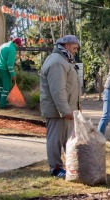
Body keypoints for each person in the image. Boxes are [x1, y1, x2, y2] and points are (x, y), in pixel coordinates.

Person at [40, 35, 81, 178]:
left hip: (65, 109)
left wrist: (76, 107)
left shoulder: (64, 60)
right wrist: (65, 110)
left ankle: (68, 167)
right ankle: (55, 168)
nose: (76, 51)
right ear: (66, 46)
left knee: (65, 139)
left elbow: (70, 87)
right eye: (74, 48)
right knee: (55, 139)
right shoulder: (57, 62)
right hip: (57, 110)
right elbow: (58, 90)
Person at [0, 37, 22, 109]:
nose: (18, 47)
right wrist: (13, 74)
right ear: (15, 43)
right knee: (6, 87)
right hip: (4, 69)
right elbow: (9, 64)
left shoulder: (3, 45)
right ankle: (2, 104)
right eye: (19, 45)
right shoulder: (12, 49)